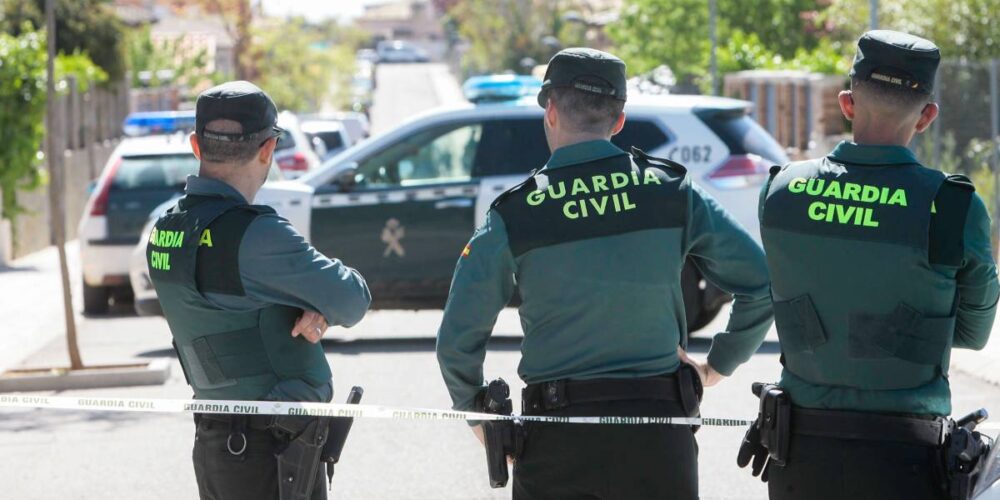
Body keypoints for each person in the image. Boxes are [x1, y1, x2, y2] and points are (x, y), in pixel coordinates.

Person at [435, 47, 774, 500]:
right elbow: (762, 283)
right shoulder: (671, 192)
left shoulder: (514, 214)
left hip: (556, 439)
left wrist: (479, 417)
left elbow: (457, 338)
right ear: (619, 121)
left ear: (551, 112)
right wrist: (716, 367)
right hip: (660, 432)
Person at [746, 30, 999, 500]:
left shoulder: (782, 190)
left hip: (801, 454)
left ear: (846, 104)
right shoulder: (951, 205)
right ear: (926, 116)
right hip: (906, 456)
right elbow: (972, 332)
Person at [146, 81, 371, 500]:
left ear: (196, 146)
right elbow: (353, 299)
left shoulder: (165, 230)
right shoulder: (255, 234)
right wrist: (316, 303)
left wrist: (306, 302)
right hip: (271, 452)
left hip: (219, 443)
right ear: (268, 150)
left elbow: (228, 302)